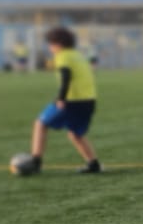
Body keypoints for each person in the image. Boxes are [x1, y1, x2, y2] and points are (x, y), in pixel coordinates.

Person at [21, 27, 101, 175]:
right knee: (75, 134)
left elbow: (66, 76)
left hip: (72, 100)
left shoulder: (62, 56)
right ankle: (93, 164)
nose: (50, 47)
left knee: (40, 123)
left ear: (58, 44)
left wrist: (61, 98)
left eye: (50, 44)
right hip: (89, 100)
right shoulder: (78, 55)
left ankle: (35, 162)